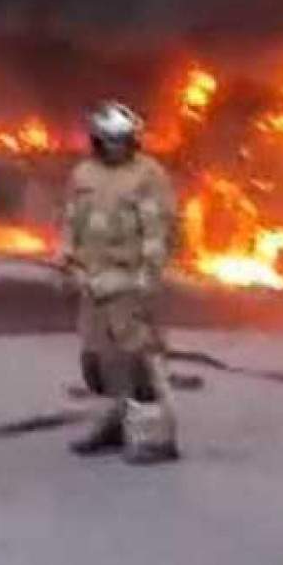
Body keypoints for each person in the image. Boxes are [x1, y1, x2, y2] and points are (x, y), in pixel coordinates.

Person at [58, 102, 180, 465]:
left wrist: (148, 277)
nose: (116, 148)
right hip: (91, 282)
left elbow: (160, 230)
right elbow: (70, 220)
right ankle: (118, 424)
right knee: (101, 361)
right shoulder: (83, 175)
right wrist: (66, 260)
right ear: (96, 140)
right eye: (109, 141)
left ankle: (157, 439)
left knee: (138, 360)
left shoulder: (147, 176)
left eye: (123, 141)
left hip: (128, 281)